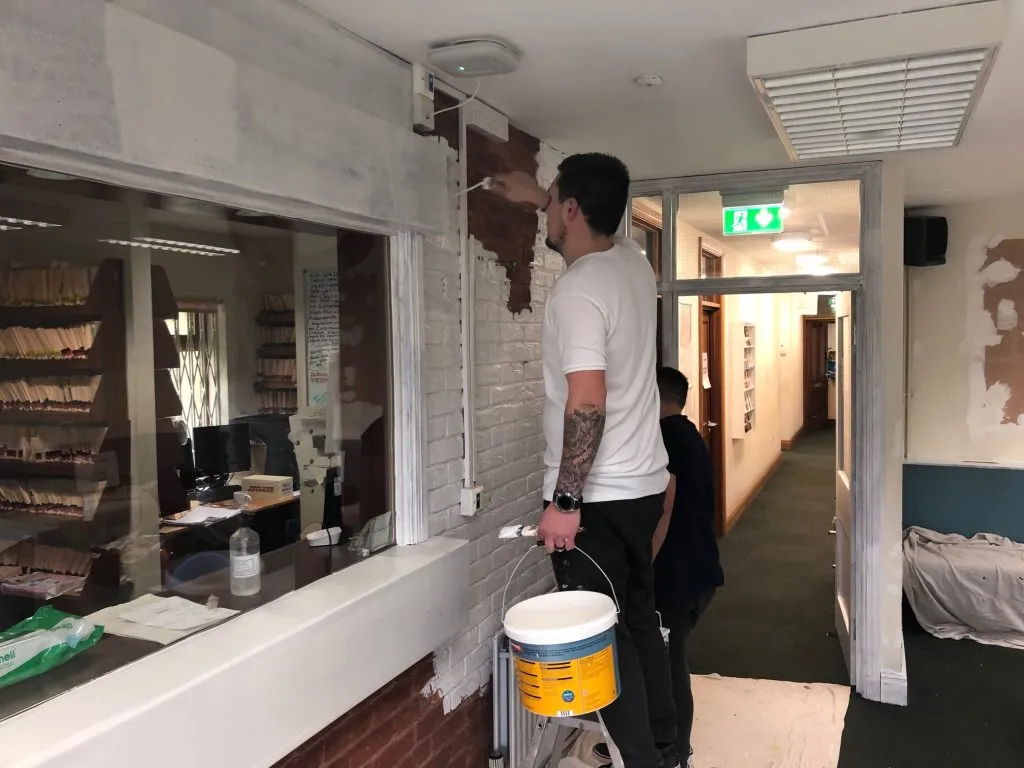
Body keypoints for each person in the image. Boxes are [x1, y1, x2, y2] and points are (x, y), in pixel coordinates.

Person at [490, 155, 679, 768]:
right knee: (640, 621)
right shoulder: (631, 264)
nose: (545, 209)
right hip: (644, 486)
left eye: (551, 203)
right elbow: (589, 224)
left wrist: (565, 501)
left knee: (607, 643)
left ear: (571, 210)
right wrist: (535, 194)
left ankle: (644, 762)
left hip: (597, 500)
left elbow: (587, 399)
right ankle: (668, 751)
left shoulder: (576, 291)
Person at [652, 367, 725, 767]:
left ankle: (677, 753)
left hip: (678, 576)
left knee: (668, 664)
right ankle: (662, 745)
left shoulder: (666, 439)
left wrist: (643, 565)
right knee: (665, 659)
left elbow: (664, 508)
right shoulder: (689, 434)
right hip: (699, 570)